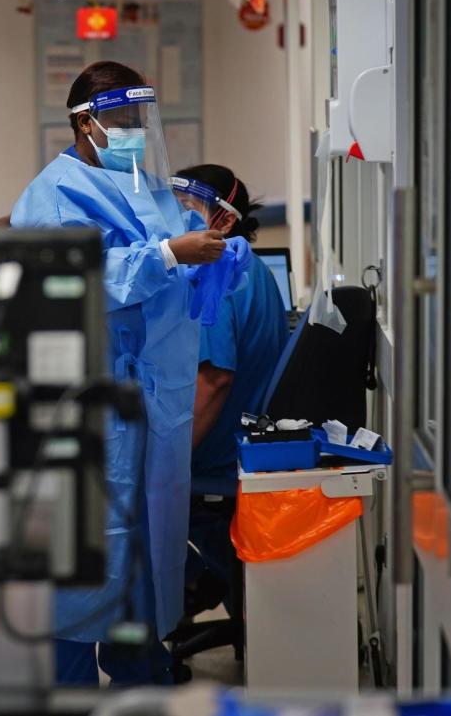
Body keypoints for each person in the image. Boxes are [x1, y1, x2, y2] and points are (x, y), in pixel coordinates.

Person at [10, 61, 227, 685]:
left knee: (142, 569)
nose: (133, 131)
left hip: (152, 408)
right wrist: (164, 254)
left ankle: (143, 677)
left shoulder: (143, 185)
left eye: (140, 120)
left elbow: (177, 256)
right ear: (85, 122)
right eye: (122, 119)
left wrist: (212, 245)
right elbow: (63, 280)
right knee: (83, 573)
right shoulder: (51, 195)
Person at [175, 165, 289, 619]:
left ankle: (190, 586)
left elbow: (215, 380)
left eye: (188, 208)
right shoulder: (251, 267)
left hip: (217, 456)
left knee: (115, 492)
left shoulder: (219, 271)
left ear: (222, 220)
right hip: (243, 438)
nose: (176, 216)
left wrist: (169, 462)